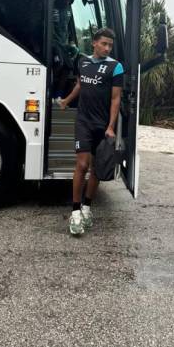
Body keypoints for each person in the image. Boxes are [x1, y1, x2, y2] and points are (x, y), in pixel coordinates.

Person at [59, 28, 124, 236]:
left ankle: (87, 206)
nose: (107, 48)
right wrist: (67, 100)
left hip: (102, 125)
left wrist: (111, 126)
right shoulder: (83, 62)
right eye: (104, 44)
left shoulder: (115, 67)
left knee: (96, 168)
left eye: (110, 46)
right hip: (83, 122)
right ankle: (75, 211)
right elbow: (80, 85)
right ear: (94, 43)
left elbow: (116, 99)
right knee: (82, 164)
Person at [51, 0, 78, 103]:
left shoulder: (68, 10)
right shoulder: (51, 6)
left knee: (68, 67)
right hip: (53, 43)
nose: (67, 1)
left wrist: (72, 43)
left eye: (69, 0)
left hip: (64, 43)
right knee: (59, 64)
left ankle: (58, 95)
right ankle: (51, 93)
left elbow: (70, 27)